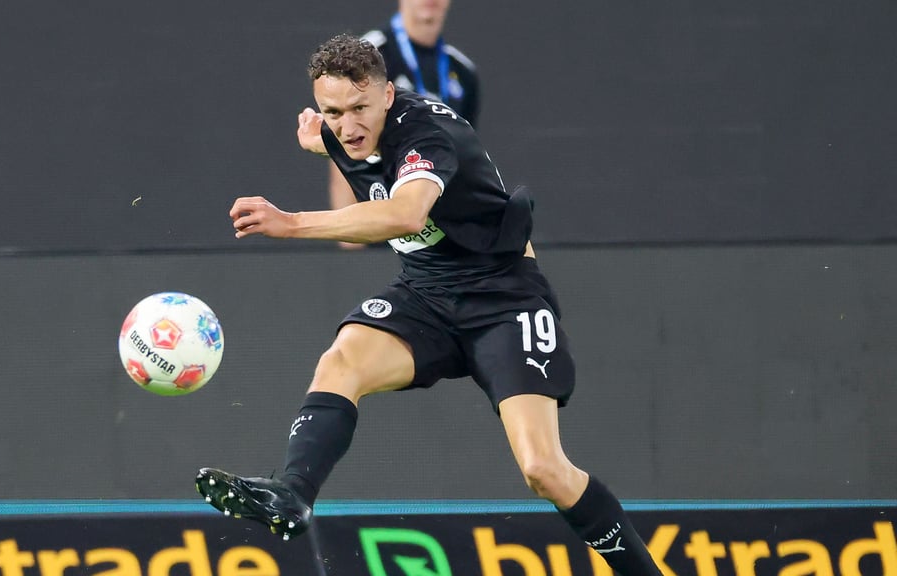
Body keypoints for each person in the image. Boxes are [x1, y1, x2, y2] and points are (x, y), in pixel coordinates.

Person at [197, 34, 664, 575]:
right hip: (427, 291)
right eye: (332, 111)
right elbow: (347, 144)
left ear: (389, 96)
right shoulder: (338, 132)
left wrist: (292, 222)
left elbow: (406, 215)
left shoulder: (427, 133)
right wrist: (319, 141)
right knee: (342, 359)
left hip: (504, 298)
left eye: (359, 109)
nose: (347, 126)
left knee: (544, 470)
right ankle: (292, 495)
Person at [328, 0, 480, 249]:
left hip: (441, 237)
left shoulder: (462, 71)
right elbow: (343, 139)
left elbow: (465, 155)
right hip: (380, 230)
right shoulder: (368, 56)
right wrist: (351, 240)